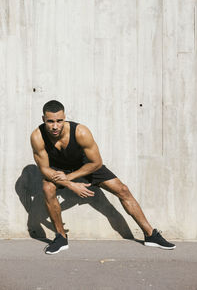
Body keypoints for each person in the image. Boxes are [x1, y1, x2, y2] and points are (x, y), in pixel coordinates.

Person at [30, 100, 176, 254]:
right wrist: (71, 184)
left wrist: (70, 178)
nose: (55, 126)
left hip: (86, 166)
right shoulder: (37, 136)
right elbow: (44, 169)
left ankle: (150, 234)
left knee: (123, 190)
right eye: (50, 121)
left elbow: (97, 163)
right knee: (47, 188)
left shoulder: (80, 132)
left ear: (64, 118)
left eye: (59, 121)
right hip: (58, 169)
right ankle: (60, 237)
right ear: (43, 119)